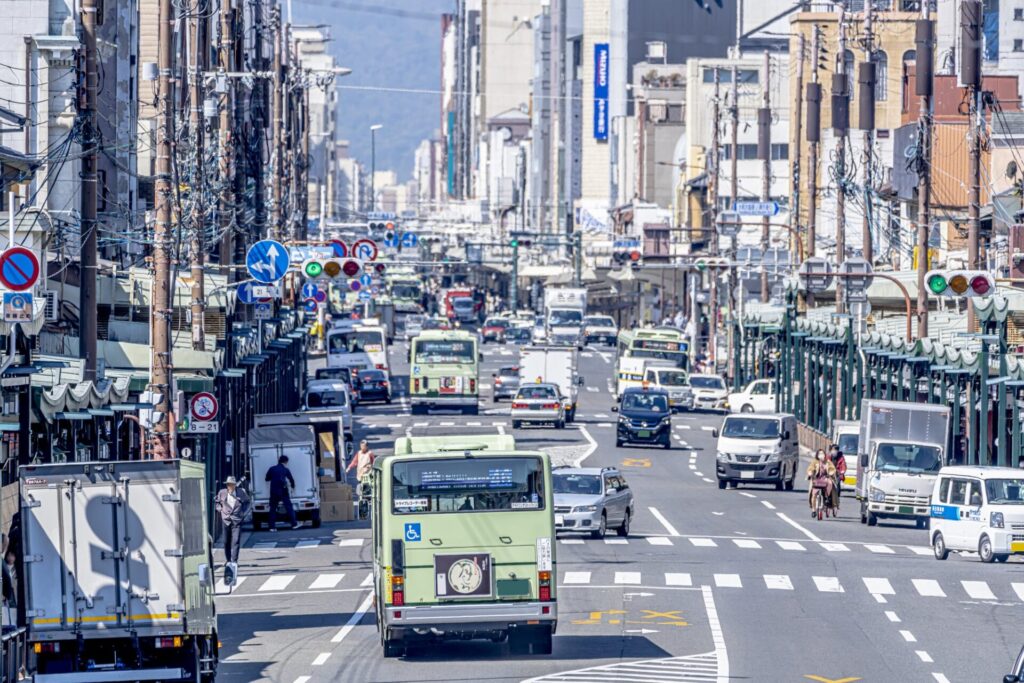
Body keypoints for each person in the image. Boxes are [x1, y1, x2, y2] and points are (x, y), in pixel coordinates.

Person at [214, 476, 250, 572]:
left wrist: (243, 513)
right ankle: (228, 560)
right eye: (228, 485)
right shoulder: (222, 492)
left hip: (237, 520)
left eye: (231, 485)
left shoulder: (241, 492)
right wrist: (220, 509)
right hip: (226, 520)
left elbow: (248, 502)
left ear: (235, 485)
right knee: (226, 541)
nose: (230, 486)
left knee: (236, 541)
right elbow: (217, 502)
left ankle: (234, 561)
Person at [266, 455, 300, 531]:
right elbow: (291, 479)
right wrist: (293, 486)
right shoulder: (285, 470)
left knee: (273, 508)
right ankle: (294, 524)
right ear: (286, 462)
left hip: (274, 491)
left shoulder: (272, 468)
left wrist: (274, 478)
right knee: (289, 507)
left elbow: (267, 479)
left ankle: (272, 527)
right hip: (283, 491)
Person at [806, 450, 836, 516]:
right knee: (813, 494)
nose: (821, 455)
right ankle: (813, 510)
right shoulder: (814, 461)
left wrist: (831, 472)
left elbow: (832, 468)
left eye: (822, 453)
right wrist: (810, 472)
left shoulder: (828, 461)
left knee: (830, 483)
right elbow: (810, 468)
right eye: (820, 453)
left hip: (825, 478)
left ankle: (827, 496)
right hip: (816, 479)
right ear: (817, 454)